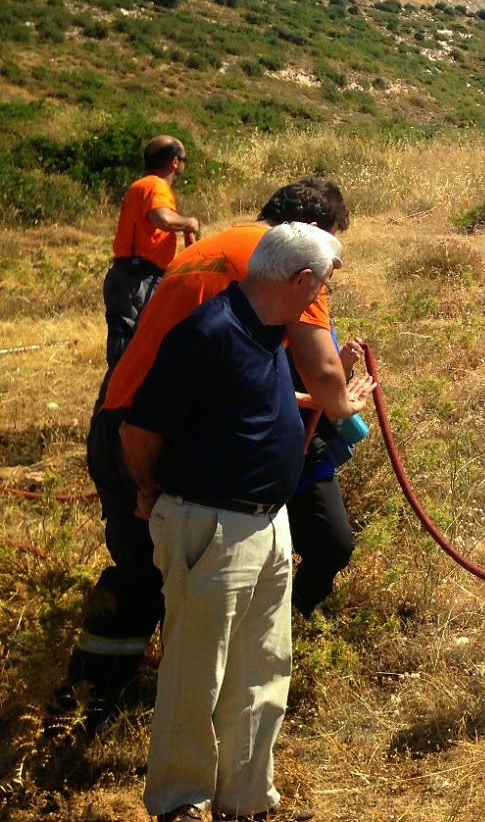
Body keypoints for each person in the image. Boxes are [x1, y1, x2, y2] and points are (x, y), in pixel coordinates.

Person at [57, 179, 367, 732]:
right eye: (330, 253)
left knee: (140, 572)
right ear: (310, 238)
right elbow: (322, 373)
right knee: (169, 567)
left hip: (119, 419)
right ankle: (160, 708)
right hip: (164, 436)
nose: (328, 271)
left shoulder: (211, 249)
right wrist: (343, 401)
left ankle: (84, 706)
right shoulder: (286, 265)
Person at [125, 222, 360, 822]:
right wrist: (153, 494)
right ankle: (181, 803)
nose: (323, 298)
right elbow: (139, 430)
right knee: (194, 675)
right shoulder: (210, 333)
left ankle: (248, 801)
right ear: (301, 279)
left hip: (266, 524)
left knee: (262, 668)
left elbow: (252, 405)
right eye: (324, 284)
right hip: (212, 526)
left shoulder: (266, 332)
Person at [102, 135, 200, 368]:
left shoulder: (143, 186)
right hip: (138, 279)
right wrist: (189, 223)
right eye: (184, 159)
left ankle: (124, 401)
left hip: (134, 276)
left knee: (139, 351)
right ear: (175, 162)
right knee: (128, 355)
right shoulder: (155, 185)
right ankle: (114, 403)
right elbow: (161, 218)